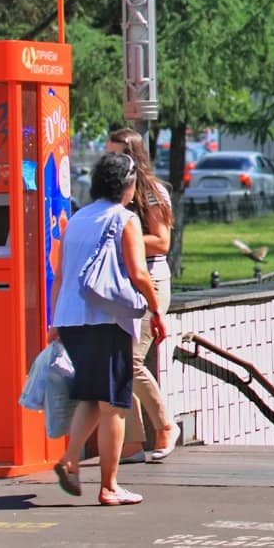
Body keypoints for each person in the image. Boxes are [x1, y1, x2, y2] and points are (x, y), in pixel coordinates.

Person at [48, 152, 163, 505]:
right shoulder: (123, 219)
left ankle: (70, 459)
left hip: (71, 318)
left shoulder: (78, 218)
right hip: (105, 320)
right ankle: (109, 486)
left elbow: (61, 274)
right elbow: (138, 272)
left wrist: (54, 321)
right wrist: (156, 309)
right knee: (114, 403)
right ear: (127, 186)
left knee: (91, 396)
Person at [106, 128, 179, 464]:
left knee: (133, 360)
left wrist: (124, 237)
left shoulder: (151, 192)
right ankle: (132, 442)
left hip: (150, 277)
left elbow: (162, 241)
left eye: (117, 154)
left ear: (133, 155)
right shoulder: (113, 193)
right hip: (121, 280)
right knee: (118, 361)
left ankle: (165, 425)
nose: (110, 160)